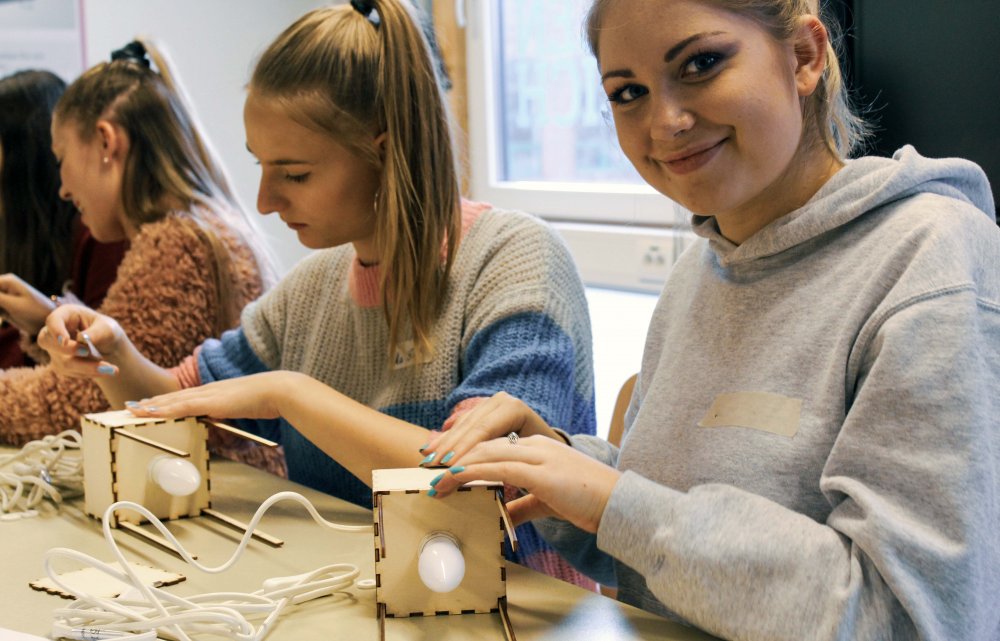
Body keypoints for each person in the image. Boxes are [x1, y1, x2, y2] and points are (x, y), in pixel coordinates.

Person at [422, 1, 1000, 639]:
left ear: (804, 58)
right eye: (628, 92)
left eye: (701, 63)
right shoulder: (696, 274)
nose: (665, 122)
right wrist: (558, 471)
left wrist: (618, 504)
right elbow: (666, 558)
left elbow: (913, 621)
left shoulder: (932, 262)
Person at [41, 1, 597, 587]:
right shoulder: (313, 287)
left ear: (385, 153)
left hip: (517, 607)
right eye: (261, 165)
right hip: (353, 597)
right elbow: (182, 400)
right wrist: (113, 355)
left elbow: (480, 481)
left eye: (295, 174)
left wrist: (291, 395)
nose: (264, 201)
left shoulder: (515, 261)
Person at [0, 40, 270, 447]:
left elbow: (84, 398)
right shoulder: (191, 229)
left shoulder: (178, 244)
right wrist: (45, 320)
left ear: (107, 142)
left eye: (61, 159)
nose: (62, 190)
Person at [0, 69, 126, 369]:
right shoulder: (19, 229)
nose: (66, 189)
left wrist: (45, 320)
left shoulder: (99, 234)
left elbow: (104, 369)